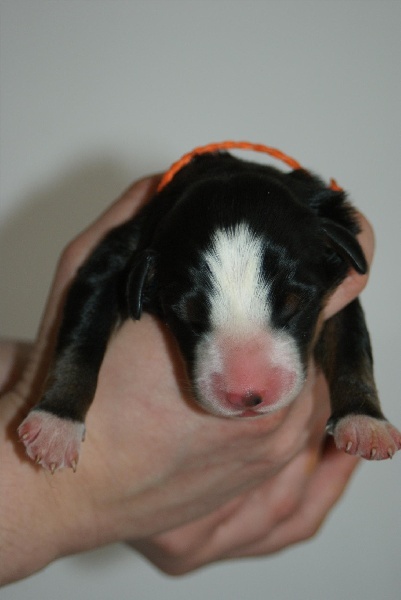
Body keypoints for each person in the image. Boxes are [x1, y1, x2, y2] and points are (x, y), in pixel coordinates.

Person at [0, 174, 374, 586]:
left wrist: (357, 402)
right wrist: (65, 411)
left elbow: (345, 313)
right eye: (194, 319)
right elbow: (99, 285)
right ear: (145, 277)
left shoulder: (316, 230)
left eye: (291, 310)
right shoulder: (144, 241)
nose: (246, 385)